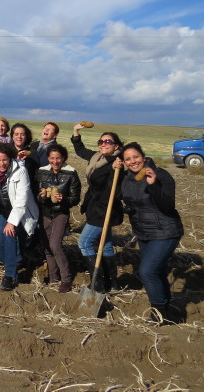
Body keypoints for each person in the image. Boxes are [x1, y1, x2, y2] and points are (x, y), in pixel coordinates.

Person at [113, 143, 184, 323]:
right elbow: (120, 197)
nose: (132, 161)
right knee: (158, 272)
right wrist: (112, 170)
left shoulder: (161, 175)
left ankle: (159, 313)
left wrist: (153, 185)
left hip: (166, 231)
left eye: (135, 157)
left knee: (147, 271)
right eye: (127, 159)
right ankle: (167, 309)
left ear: (143, 157)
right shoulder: (126, 178)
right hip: (143, 233)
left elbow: (168, 205)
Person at [71, 124, 124, 292]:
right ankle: (112, 283)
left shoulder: (117, 164)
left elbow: (112, 192)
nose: (103, 144)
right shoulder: (97, 158)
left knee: (84, 243)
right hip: (95, 208)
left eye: (108, 141)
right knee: (106, 245)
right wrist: (76, 132)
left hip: (103, 211)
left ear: (117, 146)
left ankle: (98, 282)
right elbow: (80, 150)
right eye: (101, 141)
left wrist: (118, 169)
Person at [0, 143, 39, 290]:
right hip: (4, 211)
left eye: (4, 160)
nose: (1, 163)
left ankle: (10, 275)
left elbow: (22, 199)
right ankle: (16, 262)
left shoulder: (20, 171)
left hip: (20, 212)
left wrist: (12, 222)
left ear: (9, 158)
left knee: (10, 238)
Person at [35, 144, 81, 292]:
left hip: (61, 213)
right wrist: (41, 197)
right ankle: (53, 278)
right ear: (48, 158)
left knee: (55, 245)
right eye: (52, 158)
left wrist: (64, 199)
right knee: (47, 248)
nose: (55, 161)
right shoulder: (41, 172)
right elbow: (35, 193)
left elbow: (75, 199)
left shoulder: (71, 173)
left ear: (63, 158)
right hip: (44, 213)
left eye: (58, 158)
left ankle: (66, 279)